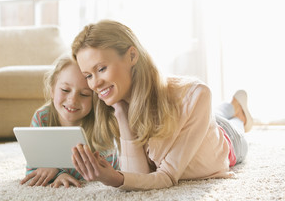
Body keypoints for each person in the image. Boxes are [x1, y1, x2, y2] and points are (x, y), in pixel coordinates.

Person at [70, 20, 253, 191]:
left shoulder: (197, 95)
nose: (94, 84)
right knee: (216, 113)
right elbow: (140, 177)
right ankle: (231, 105)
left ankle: (237, 111)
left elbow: (166, 177)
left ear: (132, 56)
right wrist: (121, 113)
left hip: (226, 141)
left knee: (235, 123)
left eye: (101, 69)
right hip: (197, 121)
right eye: (88, 76)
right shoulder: (114, 102)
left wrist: (116, 178)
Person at [20, 54, 119, 188]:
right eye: (65, 90)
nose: (73, 100)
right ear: (52, 90)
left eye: (84, 94)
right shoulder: (42, 118)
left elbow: (103, 171)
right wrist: (58, 174)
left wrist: (55, 169)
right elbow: (33, 170)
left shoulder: (102, 122)